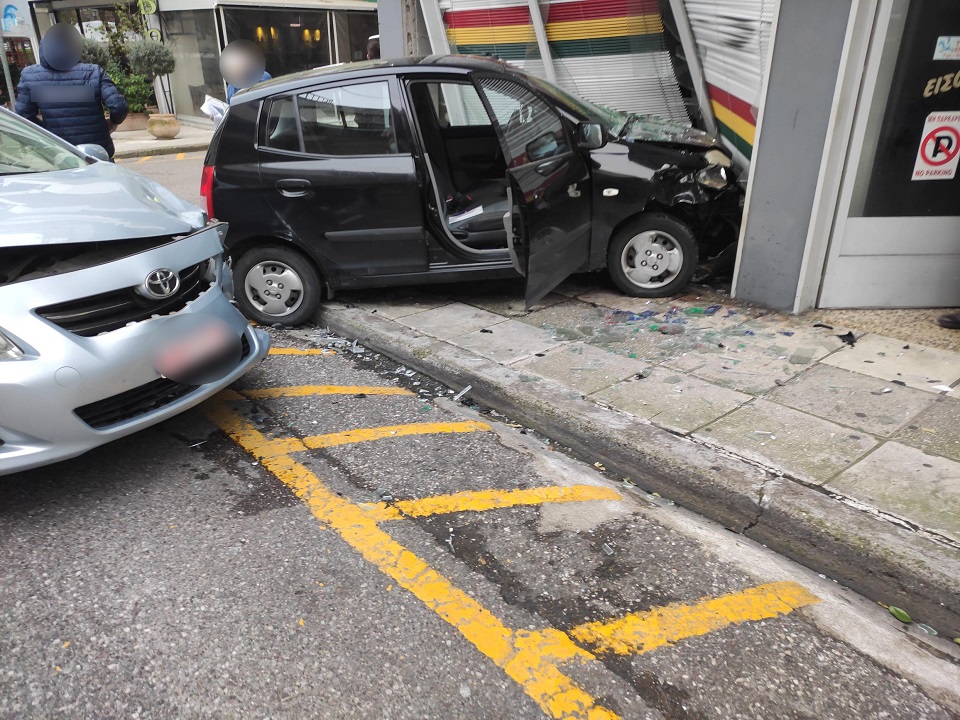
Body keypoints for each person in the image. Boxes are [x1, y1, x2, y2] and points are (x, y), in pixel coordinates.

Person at [15, 24, 127, 161]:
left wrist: (47, 133)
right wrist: (113, 122)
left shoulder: (30, 77)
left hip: (59, 154)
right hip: (98, 151)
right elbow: (119, 106)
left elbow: (23, 116)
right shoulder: (93, 72)